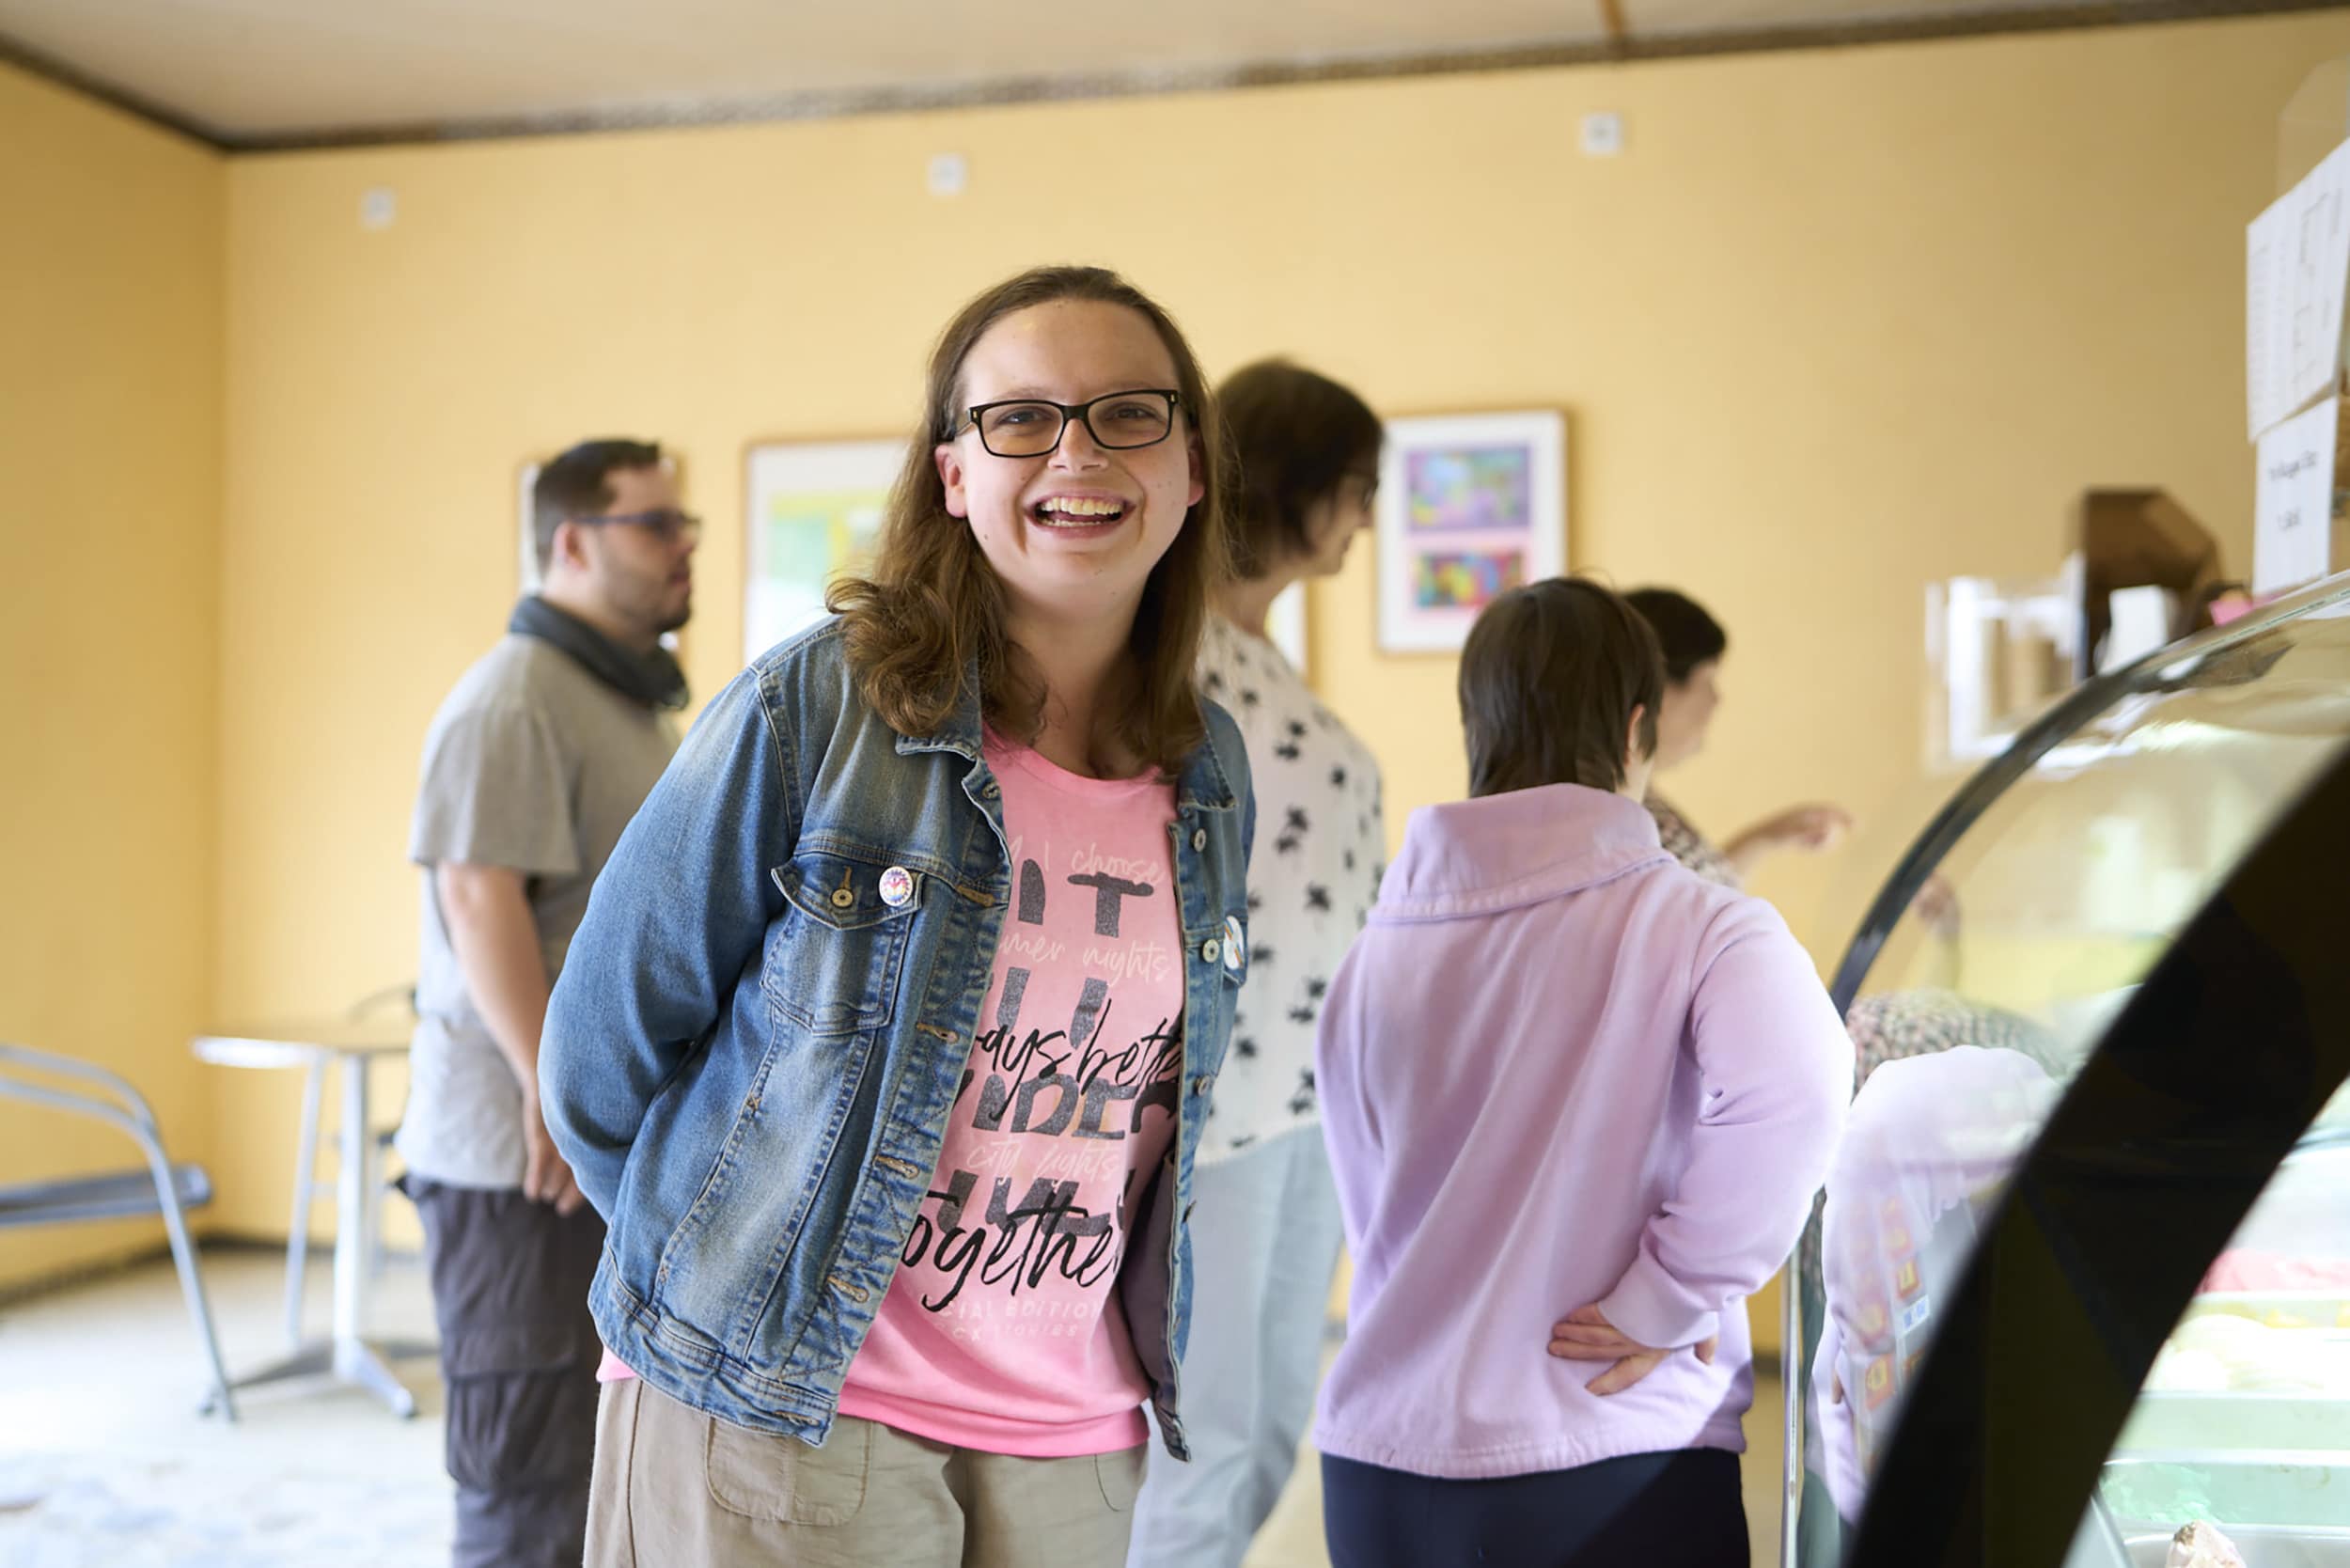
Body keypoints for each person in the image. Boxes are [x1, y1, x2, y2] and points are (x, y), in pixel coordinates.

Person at [540, 265, 1255, 1567]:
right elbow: (600, 1049)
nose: (1077, 452)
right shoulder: (820, 706)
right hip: (783, 1407)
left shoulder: (1212, 773)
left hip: (1076, 1433)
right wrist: (718, 1274)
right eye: (1021, 419)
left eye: (1127, 415)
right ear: (952, 475)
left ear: (1193, 468)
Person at [1311, 576, 1851, 1568]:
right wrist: (1673, 1293)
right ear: (1638, 730)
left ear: (1475, 726)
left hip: (1377, 1469)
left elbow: (1374, 1197)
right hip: (1603, 1458)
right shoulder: (1697, 923)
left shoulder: (1375, 948)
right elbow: (1801, 1095)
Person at [395, 437, 697, 1568]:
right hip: (519, 1163)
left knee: (596, 1467)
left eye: (686, 526)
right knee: (527, 1484)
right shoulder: (512, 698)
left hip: (590, 1150)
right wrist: (547, 1088)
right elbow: (479, 898)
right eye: (656, 525)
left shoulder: (617, 697)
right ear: (570, 543)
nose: (683, 547)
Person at [1126, 360, 1386, 1568]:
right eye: (1359, 488)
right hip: (1214, 1109)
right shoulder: (1170, 650)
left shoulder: (1260, 656)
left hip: (1309, 1101)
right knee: (1204, 1438)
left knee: (1274, 1426)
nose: (1369, 519)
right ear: (1302, 487)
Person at [1622, 587, 1851, 889]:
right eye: (1708, 680)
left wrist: (1769, 836)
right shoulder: (1630, 816)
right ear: (1659, 688)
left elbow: (1705, 889)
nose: (1716, 700)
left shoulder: (1639, 800)